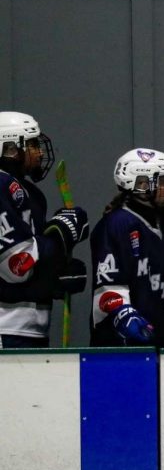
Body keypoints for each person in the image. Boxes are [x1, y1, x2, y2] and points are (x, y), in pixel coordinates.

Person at [90, 148, 164, 348]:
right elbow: (107, 288)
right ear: (141, 184)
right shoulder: (115, 225)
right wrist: (122, 314)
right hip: (125, 347)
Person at [0, 111, 88, 348]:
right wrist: (59, 234)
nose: (39, 152)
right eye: (32, 145)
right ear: (10, 148)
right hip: (5, 328)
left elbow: (34, 263)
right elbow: (16, 267)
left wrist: (57, 276)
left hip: (32, 329)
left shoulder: (31, 194)